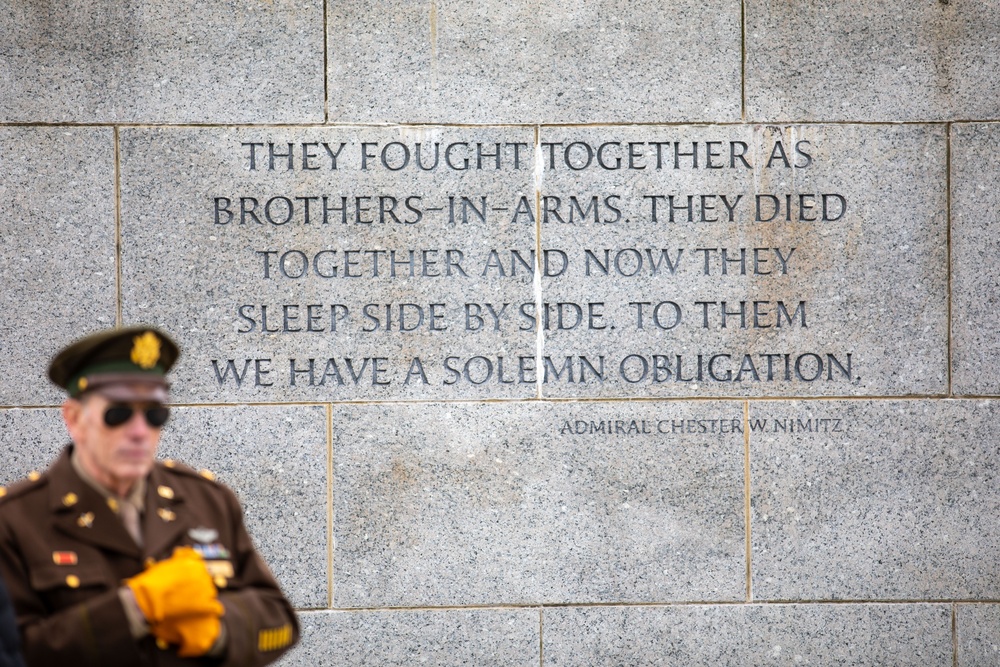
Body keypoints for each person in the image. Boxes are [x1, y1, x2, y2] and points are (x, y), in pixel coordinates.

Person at [0, 327, 298, 666]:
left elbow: (280, 621)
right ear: (74, 419)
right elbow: (17, 652)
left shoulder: (207, 500)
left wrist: (219, 631)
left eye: (155, 414)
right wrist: (132, 608)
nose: (140, 431)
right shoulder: (16, 518)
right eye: (119, 413)